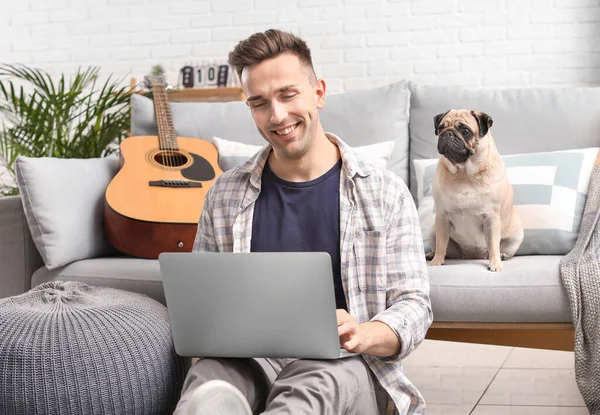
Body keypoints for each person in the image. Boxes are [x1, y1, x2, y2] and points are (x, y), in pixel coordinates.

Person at [173, 29, 433, 415]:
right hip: (253, 359)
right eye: (259, 103)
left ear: (319, 93)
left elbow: (414, 305)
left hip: (346, 363)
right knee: (209, 384)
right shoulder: (224, 195)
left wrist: (362, 333)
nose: (276, 116)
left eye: (288, 95)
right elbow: (204, 305)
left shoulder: (384, 192)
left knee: (311, 387)